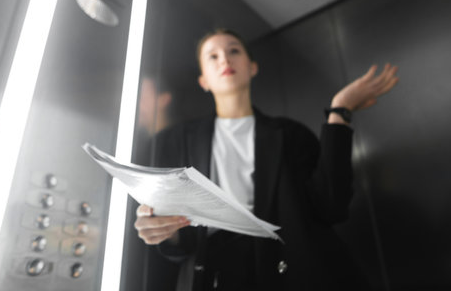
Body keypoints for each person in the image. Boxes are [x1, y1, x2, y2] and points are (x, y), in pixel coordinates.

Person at [134, 29, 399, 290]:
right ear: (203, 80)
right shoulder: (177, 141)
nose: (224, 59)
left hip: (294, 268)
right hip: (214, 272)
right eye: (213, 56)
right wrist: (167, 231)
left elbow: (332, 205)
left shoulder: (289, 134)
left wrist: (339, 114)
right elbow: (184, 239)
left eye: (233, 51)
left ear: (252, 67)